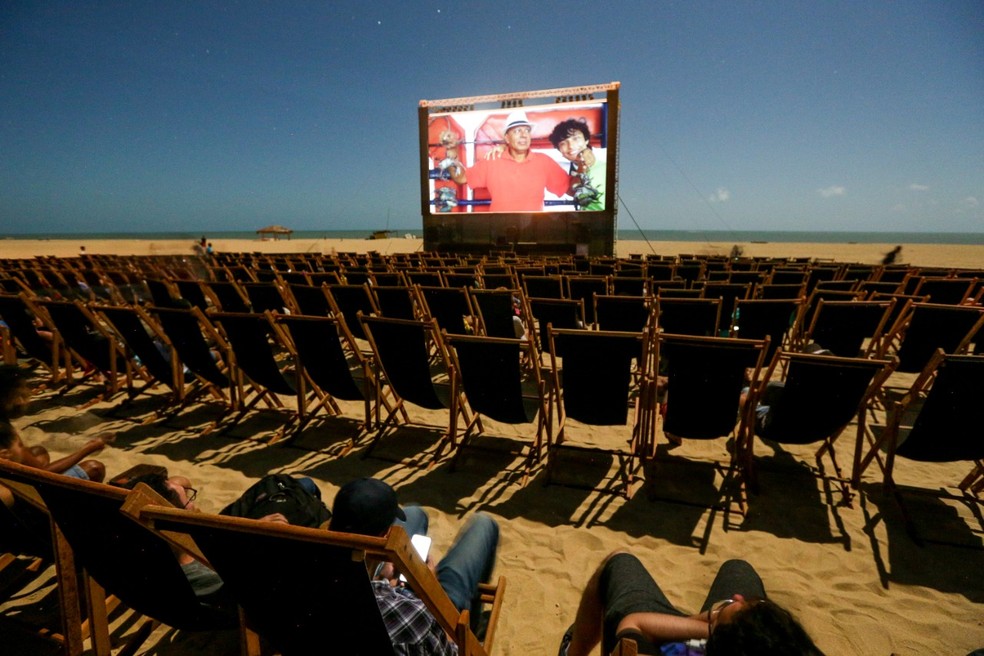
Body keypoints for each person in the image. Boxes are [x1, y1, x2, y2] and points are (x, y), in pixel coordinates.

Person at [330, 477, 500, 655]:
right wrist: (430, 587)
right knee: (484, 525)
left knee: (414, 512)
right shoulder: (415, 615)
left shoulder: (302, 578)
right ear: (385, 536)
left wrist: (383, 584)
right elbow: (450, 649)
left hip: (386, 598)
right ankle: (473, 624)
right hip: (430, 617)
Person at [559, 550, 824, 656]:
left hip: (662, 640)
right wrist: (723, 620)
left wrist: (713, 623)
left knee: (618, 562)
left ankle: (574, 652)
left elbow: (635, 622)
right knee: (738, 568)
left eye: (741, 608)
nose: (740, 599)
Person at [0, 365, 111, 481]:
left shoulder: (3, 421)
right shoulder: (8, 436)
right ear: (7, 399)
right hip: (27, 487)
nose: (28, 398)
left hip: (14, 476)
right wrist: (88, 448)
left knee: (38, 451)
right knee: (95, 467)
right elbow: (41, 474)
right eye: (21, 394)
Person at [448, 110, 571, 212]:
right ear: (507, 138)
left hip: (533, 232)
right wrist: (451, 153)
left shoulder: (544, 162)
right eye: (517, 131)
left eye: (526, 130)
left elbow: (570, 187)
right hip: (499, 234)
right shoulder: (492, 160)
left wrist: (584, 165)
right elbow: (461, 177)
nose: (523, 135)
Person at [548, 118, 606, 211]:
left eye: (575, 138)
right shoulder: (560, 172)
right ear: (560, 151)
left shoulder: (606, 157)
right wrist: (581, 165)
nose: (571, 146)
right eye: (563, 143)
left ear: (586, 140)